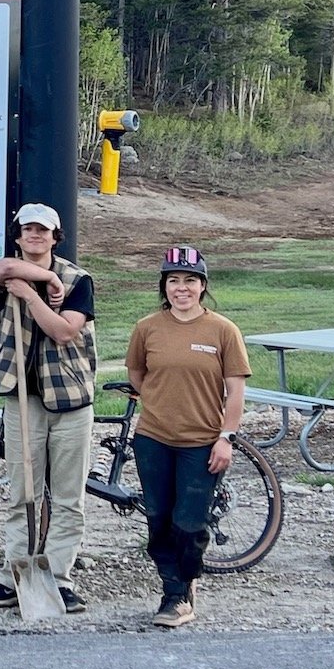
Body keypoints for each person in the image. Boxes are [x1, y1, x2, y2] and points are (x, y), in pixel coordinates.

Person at [0, 202, 97, 614]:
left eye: (43, 231)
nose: (35, 236)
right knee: (21, 495)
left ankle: (60, 579)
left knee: (67, 499)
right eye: (28, 229)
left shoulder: (79, 281)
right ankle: (15, 575)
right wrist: (41, 278)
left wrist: (31, 294)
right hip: (22, 400)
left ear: (55, 236)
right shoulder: (7, 274)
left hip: (70, 402)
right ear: (17, 236)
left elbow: (64, 331)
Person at [125, 246, 249, 628]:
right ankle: (174, 592)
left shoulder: (223, 330)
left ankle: (184, 586)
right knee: (158, 517)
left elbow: (236, 392)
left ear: (203, 285)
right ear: (164, 287)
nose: (182, 288)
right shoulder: (147, 327)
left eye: (190, 281)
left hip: (202, 442)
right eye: (174, 281)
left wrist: (226, 437)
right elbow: (136, 371)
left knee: (190, 521)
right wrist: (157, 399)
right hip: (154, 437)